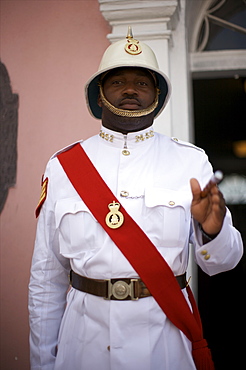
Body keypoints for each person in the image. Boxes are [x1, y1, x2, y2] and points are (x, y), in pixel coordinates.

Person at [29, 27, 243, 370]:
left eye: (142, 83)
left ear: (157, 95)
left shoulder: (190, 161)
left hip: (163, 343)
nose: (130, 89)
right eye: (117, 82)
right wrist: (43, 363)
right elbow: (46, 278)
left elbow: (223, 263)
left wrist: (213, 231)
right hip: (83, 345)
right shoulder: (63, 167)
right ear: (99, 95)